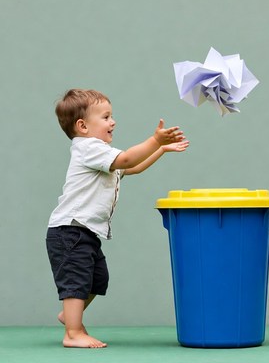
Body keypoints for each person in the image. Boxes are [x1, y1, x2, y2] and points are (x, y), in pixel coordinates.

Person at [46, 89, 189, 348]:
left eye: (112, 116)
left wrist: (161, 150)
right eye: (106, 117)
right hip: (70, 230)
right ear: (83, 126)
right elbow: (127, 158)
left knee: (98, 279)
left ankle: (69, 316)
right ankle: (73, 332)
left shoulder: (101, 157)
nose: (113, 122)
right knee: (76, 280)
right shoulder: (89, 148)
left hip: (84, 231)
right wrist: (155, 140)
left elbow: (133, 166)